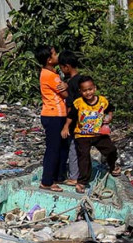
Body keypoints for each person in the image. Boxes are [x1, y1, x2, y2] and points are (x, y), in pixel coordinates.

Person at [62, 76, 118, 191]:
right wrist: (66, 127)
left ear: (95, 88)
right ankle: (82, 182)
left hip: (99, 134)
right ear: (80, 91)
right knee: (84, 158)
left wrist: (109, 118)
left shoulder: (103, 101)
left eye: (90, 89)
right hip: (82, 135)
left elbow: (110, 110)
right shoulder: (78, 103)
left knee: (111, 149)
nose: (88, 93)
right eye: (84, 90)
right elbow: (71, 116)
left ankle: (113, 166)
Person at [35, 45, 69, 191]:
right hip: (53, 115)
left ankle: (57, 176)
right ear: (49, 59)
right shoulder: (51, 76)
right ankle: (47, 181)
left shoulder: (50, 73)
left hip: (57, 115)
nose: (57, 56)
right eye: (54, 54)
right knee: (53, 149)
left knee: (61, 147)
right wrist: (68, 86)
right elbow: (65, 94)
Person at [58, 51, 83, 183]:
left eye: (62, 67)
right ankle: (83, 175)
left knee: (73, 148)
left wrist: (66, 124)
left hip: (74, 121)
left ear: (66, 67)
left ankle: (74, 177)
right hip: (84, 121)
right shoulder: (81, 80)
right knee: (82, 149)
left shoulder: (72, 83)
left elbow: (72, 105)